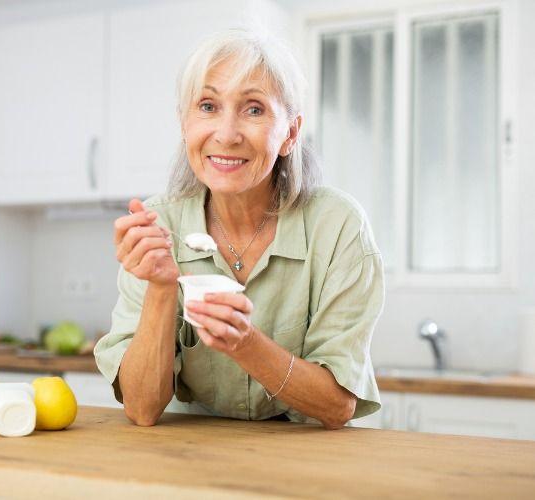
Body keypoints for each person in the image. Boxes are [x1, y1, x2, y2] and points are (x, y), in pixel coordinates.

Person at [94, 29, 384, 429]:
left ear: (291, 134)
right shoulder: (158, 227)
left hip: (305, 461)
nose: (227, 134)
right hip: (187, 461)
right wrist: (161, 288)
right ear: (184, 125)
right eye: (208, 106)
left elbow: (337, 407)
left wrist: (246, 345)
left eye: (253, 110)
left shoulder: (337, 227)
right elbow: (142, 409)